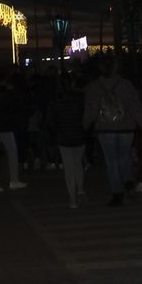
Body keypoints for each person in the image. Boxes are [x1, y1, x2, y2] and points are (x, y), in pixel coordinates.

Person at [83, 60, 142, 206]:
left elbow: (91, 109)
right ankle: (128, 182)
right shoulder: (126, 85)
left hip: (105, 128)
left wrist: (85, 125)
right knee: (124, 157)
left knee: (111, 161)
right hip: (126, 127)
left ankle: (117, 193)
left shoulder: (94, 87)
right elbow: (135, 107)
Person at [50, 76, 88, 209]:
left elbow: (51, 122)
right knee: (77, 163)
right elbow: (85, 116)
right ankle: (81, 190)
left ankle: (72, 200)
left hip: (63, 137)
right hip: (79, 135)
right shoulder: (79, 99)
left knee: (68, 168)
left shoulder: (56, 101)